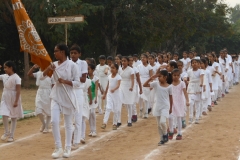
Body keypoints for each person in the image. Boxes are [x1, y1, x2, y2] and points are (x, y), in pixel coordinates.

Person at [43, 43, 80, 158]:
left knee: (68, 123)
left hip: (68, 95)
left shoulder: (72, 65)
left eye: (56, 51)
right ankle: (58, 147)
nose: (54, 53)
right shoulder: (53, 65)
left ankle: (67, 147)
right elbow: (43, 76)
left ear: (63, 52)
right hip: (56, 95)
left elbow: (78, 83)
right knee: (54, 121)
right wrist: (48, 69)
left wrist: (65, 81)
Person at [143, 70, 173, 146]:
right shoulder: (156, 84)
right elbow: (144, 85)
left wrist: (171, 108)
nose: (158, 78)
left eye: (160, 76)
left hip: (165, 106)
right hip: (157, 106)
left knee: (162, 122)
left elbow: (171, 98)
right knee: (158, 124)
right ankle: (161, 138)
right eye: (158, 76)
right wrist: (151, 78)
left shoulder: (169, 87)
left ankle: (165, 134)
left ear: (165, 77)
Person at [70, 44, 88, 150]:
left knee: (78, 116)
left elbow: (83, 79)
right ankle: (70, 139)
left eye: (75, 53)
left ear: (79, 54)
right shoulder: (67, 63)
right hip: (69, 91)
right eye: (71, 53)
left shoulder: (82, 63)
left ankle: (76, 141)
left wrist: (72, 78)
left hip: (78, 91)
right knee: (70, 116)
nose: (73, 55)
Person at [0, 61, 23, 142]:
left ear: (11, 68)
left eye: (6, 67)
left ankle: (11, 135)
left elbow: (18, 90)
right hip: (5, 97)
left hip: (13, 97)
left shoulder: (17, 78)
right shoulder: (4, 76)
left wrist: (16, 101)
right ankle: (6, 131)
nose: (4, 69)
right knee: (4, 113)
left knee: (13, 117)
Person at [27, 64, 52, 133]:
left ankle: (47, 126)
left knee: (49, 111)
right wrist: (33, 67)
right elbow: (29, 74)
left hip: (48, 92)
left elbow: (53, 85)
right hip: (40, 92)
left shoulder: (51, 74)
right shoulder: (38, 73)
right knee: (38, 109)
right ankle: (44, 124)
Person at [168, 69, 189, 140]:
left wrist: (187, 100)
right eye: (174, 75)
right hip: (171, 102)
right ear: (172, 75)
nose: (176, 77)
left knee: (179, 117)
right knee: (170, 117)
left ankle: (179, 133)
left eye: (177, 75)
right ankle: (171, 131)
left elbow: (185, 92)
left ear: (179, 76)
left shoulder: (182, 83)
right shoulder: (169, 83)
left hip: (179, 102)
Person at [101, 63, 122, 130]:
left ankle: (114, 124)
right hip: (109, 94)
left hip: (116, 95)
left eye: (113, 68)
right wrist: (105, 94)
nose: (112, 69)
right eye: (111, 68)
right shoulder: (109, 76)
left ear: (116, 69)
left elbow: (118, 85)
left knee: (116, 109)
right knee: (108, 108)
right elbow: (108, 85)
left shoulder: (118, 77)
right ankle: (104, 122)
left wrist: (114, 89)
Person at [186, 59, 204, 124]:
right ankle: (190, 117)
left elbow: (201, 77)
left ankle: (197, 118)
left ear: (198, 63)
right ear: (191, 64)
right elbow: (187, 79)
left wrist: (201, 83)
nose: (194, 64)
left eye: (195, 62)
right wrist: (186, 82)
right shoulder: (189, 71)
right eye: (193, 63)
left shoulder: (201, 71)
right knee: (191, 103)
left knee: (197, 103)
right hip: (191, 87)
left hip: (198, 86)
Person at [119, 56, 135, 127]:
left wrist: (131, 86)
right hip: (121, 87)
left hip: (128, 87)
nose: (123, 62)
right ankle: (118, 120)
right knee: (121, 102)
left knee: (129, 103)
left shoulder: (131, 70)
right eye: (122, 61)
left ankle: (129, 119)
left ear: (128, 62)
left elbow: (132, 79)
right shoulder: (120, 69)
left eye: (125, 61)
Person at [137, 53, 153, 119]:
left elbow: (151, 76)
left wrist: (151, 84)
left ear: (147, 59)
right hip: (140, 82)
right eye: (141, 57)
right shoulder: (139, 66)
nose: (142, 59)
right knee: (140, 97)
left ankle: (146, 112)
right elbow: (137, 76)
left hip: (147, 82)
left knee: (146, 98)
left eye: (144, 57)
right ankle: (141, 109)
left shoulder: (149, 67)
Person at [128, 56, 142, 122]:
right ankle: (130, 115)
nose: (131, 62)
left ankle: (134, 114)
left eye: (132, 60)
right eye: (129, 60)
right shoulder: (124, 69)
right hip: (126, 86)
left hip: (134, 86)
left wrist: (140, 88)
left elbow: (138, 79)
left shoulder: (135, 69)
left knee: (133, 101)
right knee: (128, 102)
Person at [88, 64, 99, 137]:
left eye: (89, 69)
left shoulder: (96, 78)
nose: (88, 71)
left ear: (92, 70)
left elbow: (96, 88)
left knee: (92, 112)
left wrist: (96, 98)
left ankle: (94, 130)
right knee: (88, 114)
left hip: (93, 95)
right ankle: (91, 130)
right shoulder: (86, 78)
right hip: (87, 96)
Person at [80, 78, 92, 144]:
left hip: (84, 100)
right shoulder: (77, 79)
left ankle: (82, 136)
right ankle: (79, 136)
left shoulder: (88, 81)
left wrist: (90, 99)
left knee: (82, 118)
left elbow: (89, 91)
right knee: (78, 119)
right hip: (78, 99)